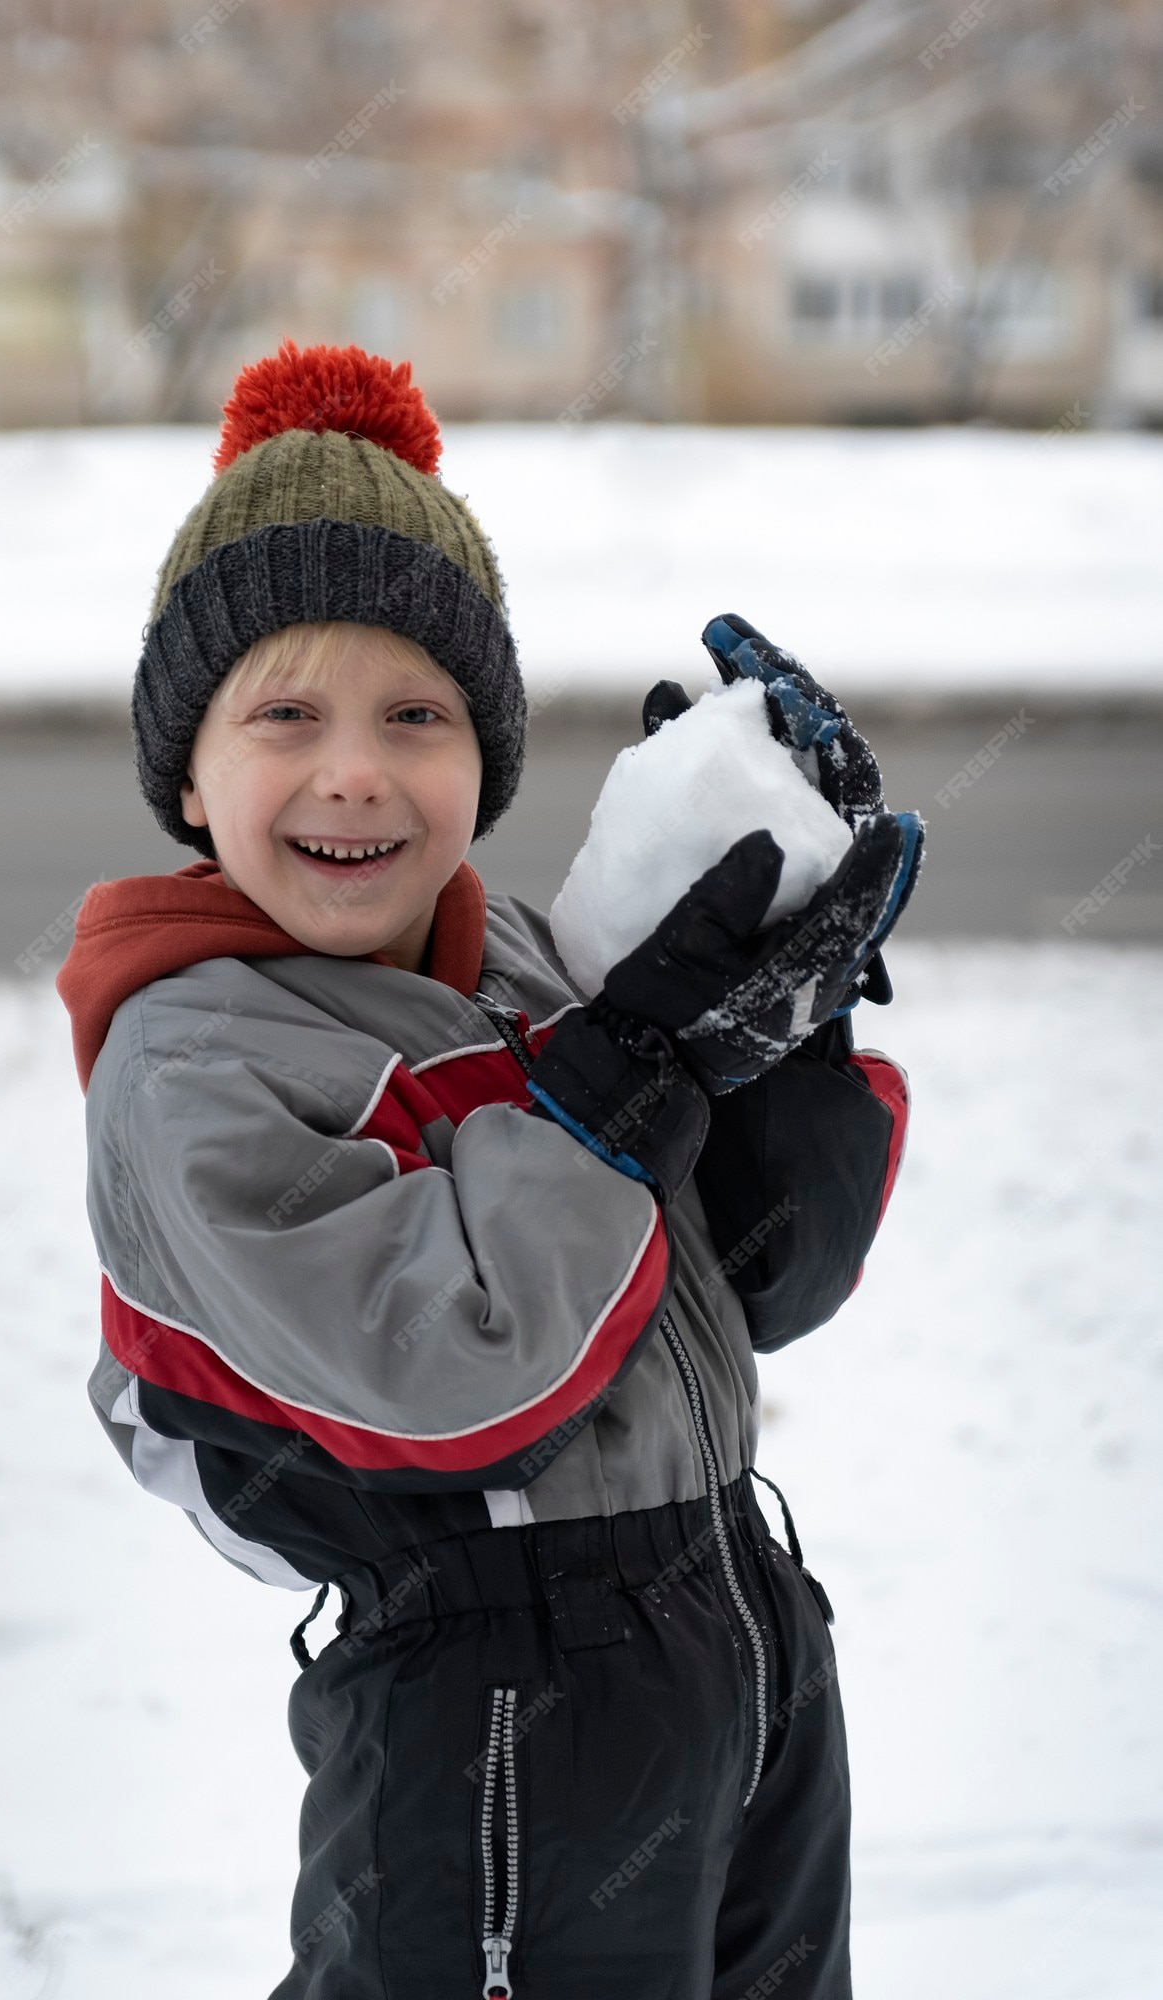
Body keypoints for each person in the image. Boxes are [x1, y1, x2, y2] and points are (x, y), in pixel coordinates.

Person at [55, 337, 923, 2000]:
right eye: (284, 715)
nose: (356, 769)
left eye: (418, 714)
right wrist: (617, 1079)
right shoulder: (195, 1063)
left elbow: (756, 1283)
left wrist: (774, 1032)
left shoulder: (520, 963)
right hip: (502, 1713)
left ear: (486, 758)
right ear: (186, 769)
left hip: (733, 1636)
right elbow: (454, 1373)